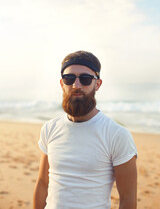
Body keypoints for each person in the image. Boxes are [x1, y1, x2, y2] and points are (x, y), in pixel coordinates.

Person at [33, 51, 137, 209]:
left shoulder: (117, 135)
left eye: (85, 79)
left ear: (97, 84)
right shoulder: (50, 128)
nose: (76, 85)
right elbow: (42, 183)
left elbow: (128, 199)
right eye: (69, 78)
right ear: (62, 83)